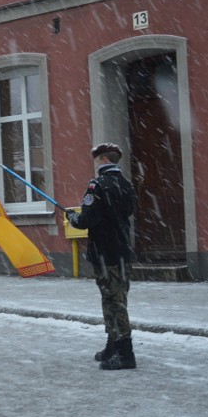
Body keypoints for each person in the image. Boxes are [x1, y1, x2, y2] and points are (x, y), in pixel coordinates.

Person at [66, 143, 138, 370]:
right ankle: (112, 346)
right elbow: (127, 212)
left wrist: (72, 218)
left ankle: (126, 354)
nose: (96, 163)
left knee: (112, 301)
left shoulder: (96, 185)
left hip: (105, 253)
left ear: (104, 160)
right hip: (123, 251)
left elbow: (87, 219)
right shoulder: (126, 184)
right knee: (118, 298)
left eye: (97, 159)